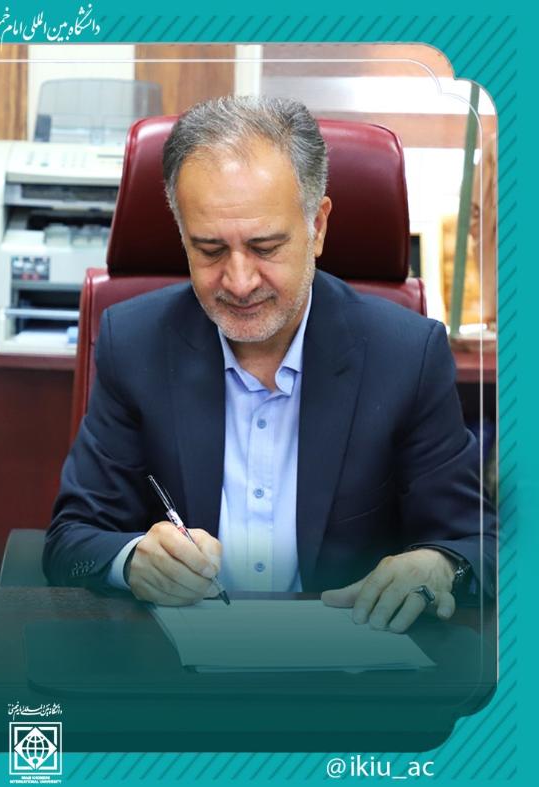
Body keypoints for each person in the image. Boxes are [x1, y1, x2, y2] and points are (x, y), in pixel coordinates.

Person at [43, 96, 495, 634]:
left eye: (265, 246)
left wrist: (439, 564)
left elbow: (480, 544)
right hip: (176, 659)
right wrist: (133, 561)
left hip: (348, 657)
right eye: (210, 250)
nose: (239, 282)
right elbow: (71, 539)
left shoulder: (405, 355)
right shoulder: (135, 344)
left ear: (317, 227)